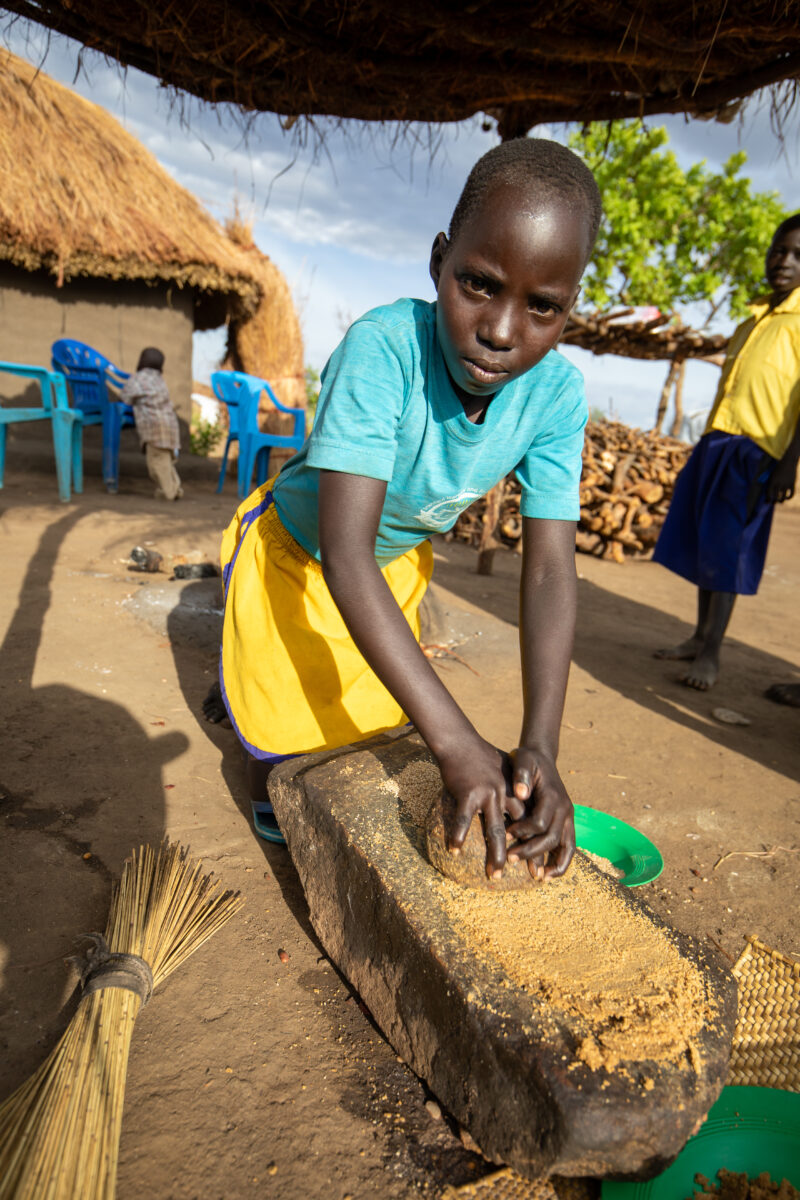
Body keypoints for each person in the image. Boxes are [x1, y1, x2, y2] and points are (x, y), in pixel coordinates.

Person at [218, 138, 602, 878]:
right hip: (301, 556)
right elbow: (344, 554)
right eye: (479, 284)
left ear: (568, 310)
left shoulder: (556, 397)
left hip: (386, 566)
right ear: (438, 261)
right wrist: (456, 742)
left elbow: (552, 570)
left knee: (371, 727)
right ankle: (246, 711)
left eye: (542, 307)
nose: (499, 331)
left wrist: (540, 748)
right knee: (288, 758)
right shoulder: (383, 350)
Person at [653, 214, 800, 690]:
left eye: (798, 255)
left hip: (756, 452)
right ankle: (698, 636)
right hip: (718, 441)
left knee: (731, 552)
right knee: (706, 544)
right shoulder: (753, 317)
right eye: (779, 250)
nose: (784, 261)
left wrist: (788, 463)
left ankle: (713, 654)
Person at [119, 347, 183, 500]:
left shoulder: (138, 378)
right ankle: (176, 489)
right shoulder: (160, 381)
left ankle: (167, 492)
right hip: (171, 427)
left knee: (156, 464)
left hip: (155, 428)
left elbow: (125, 397)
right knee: (166, 461)